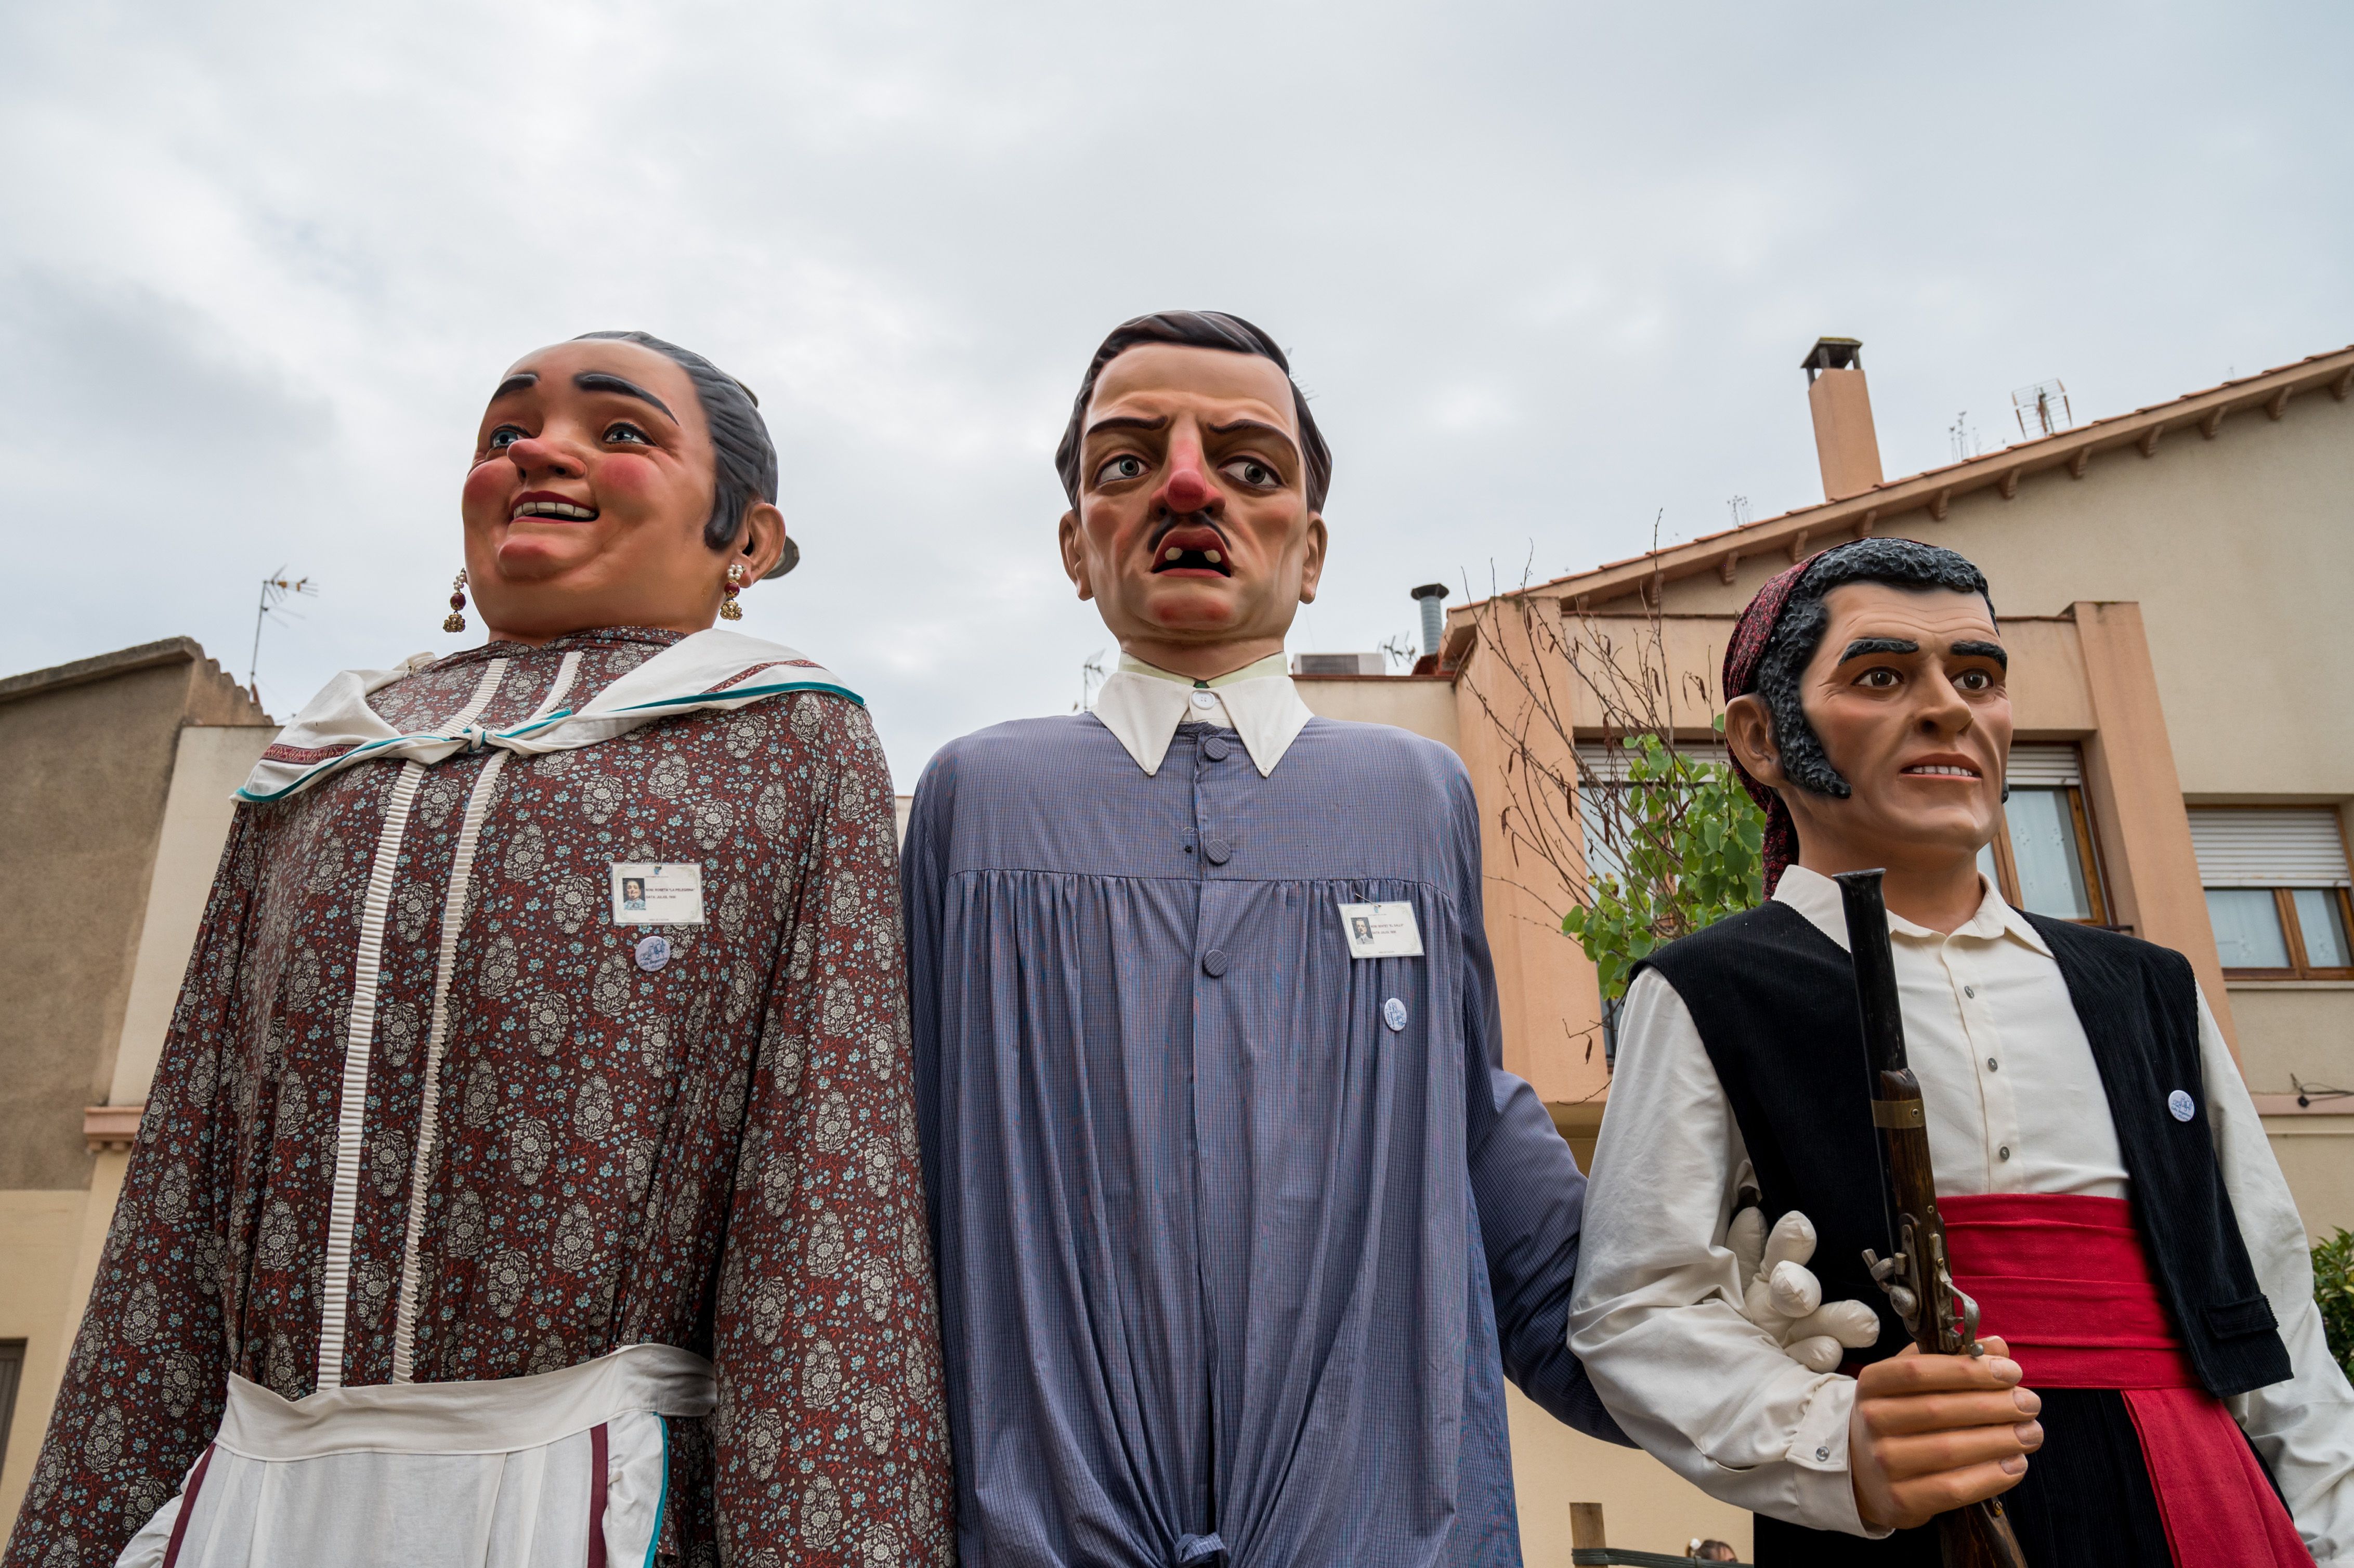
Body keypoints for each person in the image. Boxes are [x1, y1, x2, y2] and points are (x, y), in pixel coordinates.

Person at [4, 331, 952, 1567]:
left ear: (748, 541)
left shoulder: (787, 739)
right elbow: (182, 1178)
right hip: (253, 1501)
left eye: (621, 432)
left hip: (582, 1498)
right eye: (506, 433)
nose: (540, 452)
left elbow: (828, 1183)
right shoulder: (323, 757)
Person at [902, 308, 1633, 1568]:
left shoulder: (1412, 800)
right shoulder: (978, 801)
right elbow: (900, 1165)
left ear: (1311, 553)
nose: (1188, 486)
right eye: (1126, 463)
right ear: (1076, 546)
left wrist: (1689, 1325)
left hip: (1381, 1526)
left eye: (1250, 467)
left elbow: (1461, 1119)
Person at [1568, 538, 2354, 1565]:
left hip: (2199, 1500)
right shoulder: (1707, 988)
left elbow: (2269, 1291)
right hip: (1906, 1525)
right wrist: (1830, 1440)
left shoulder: (2147, 987)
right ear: (1761, 739)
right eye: (1882, 675)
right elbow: (1636, 1305)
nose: (1948, 707)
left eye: (1975, 675)